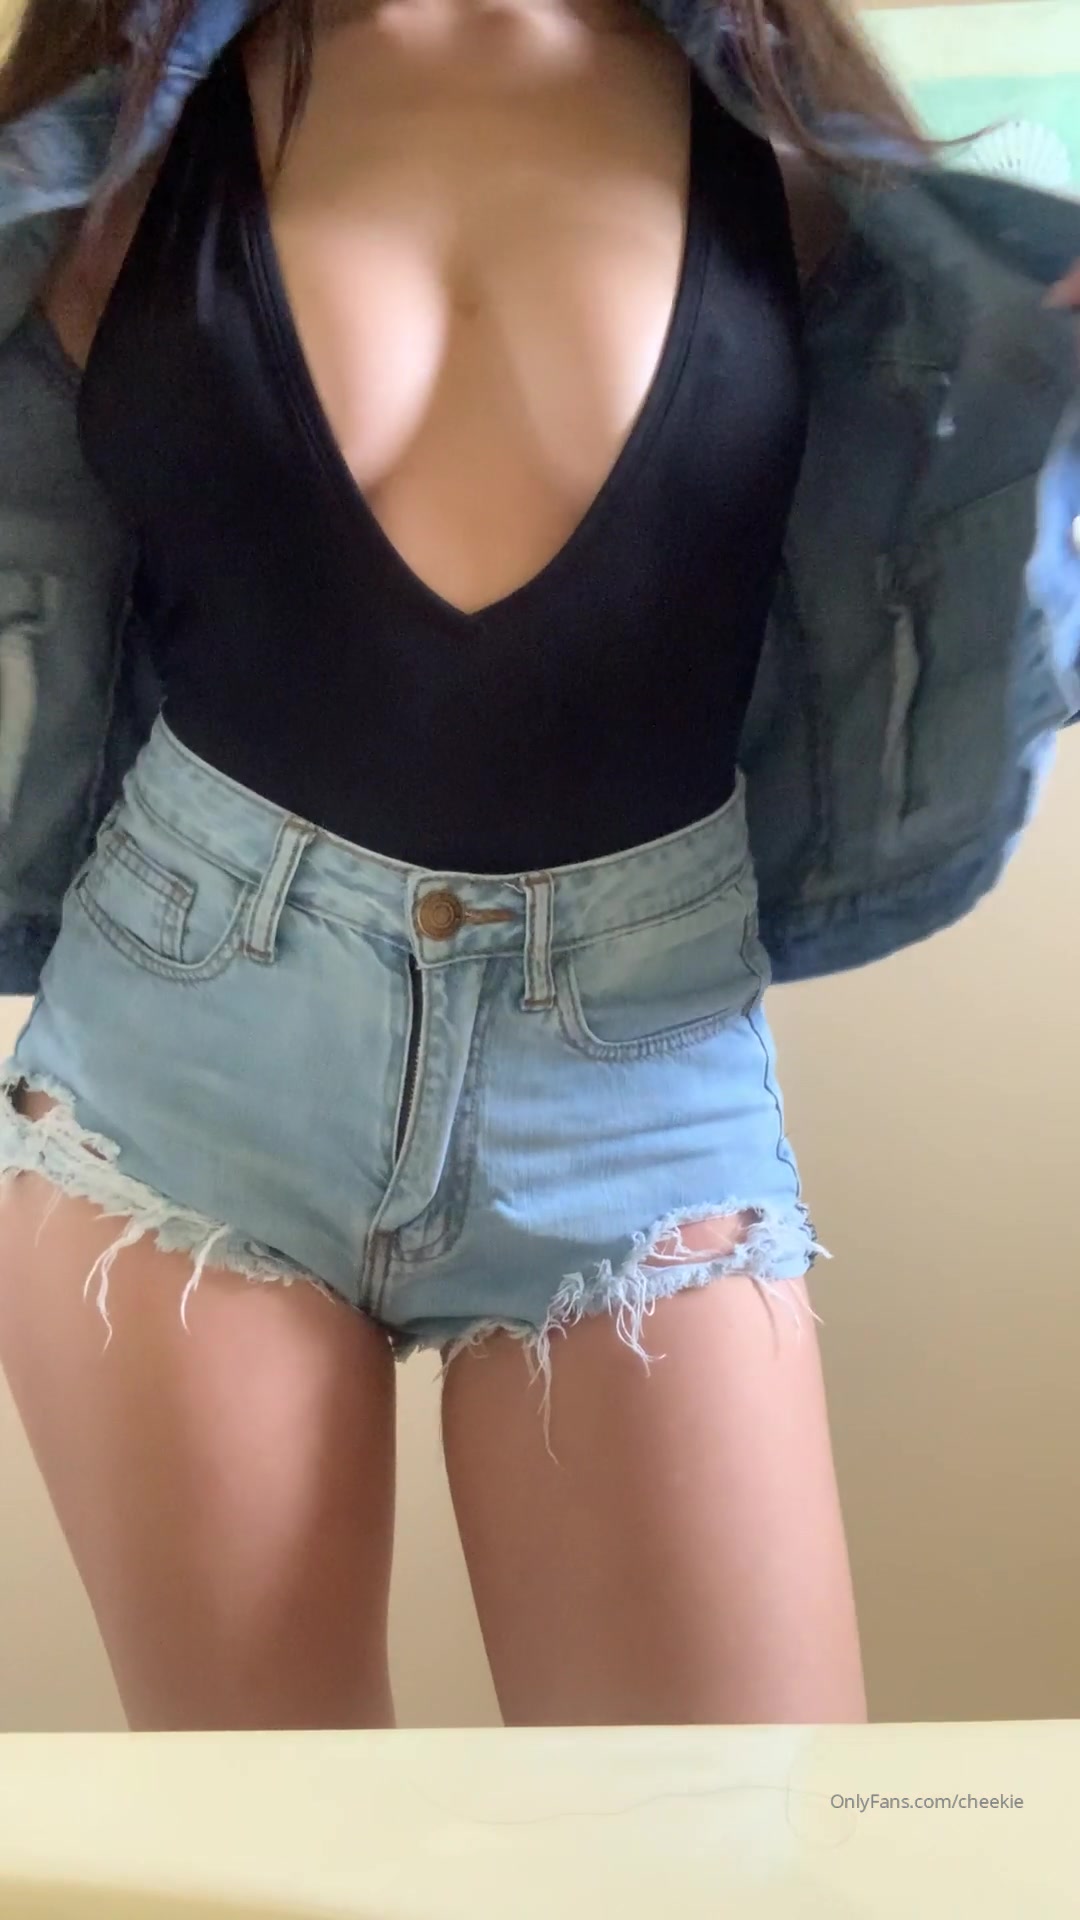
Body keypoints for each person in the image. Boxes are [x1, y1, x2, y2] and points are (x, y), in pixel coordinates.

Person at [0, 0, 1075, 1734]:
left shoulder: (794, 137)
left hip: (632, 1065)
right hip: (183, 1058)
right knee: (270, 1854)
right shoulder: (118, 139)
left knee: (718, 1849)